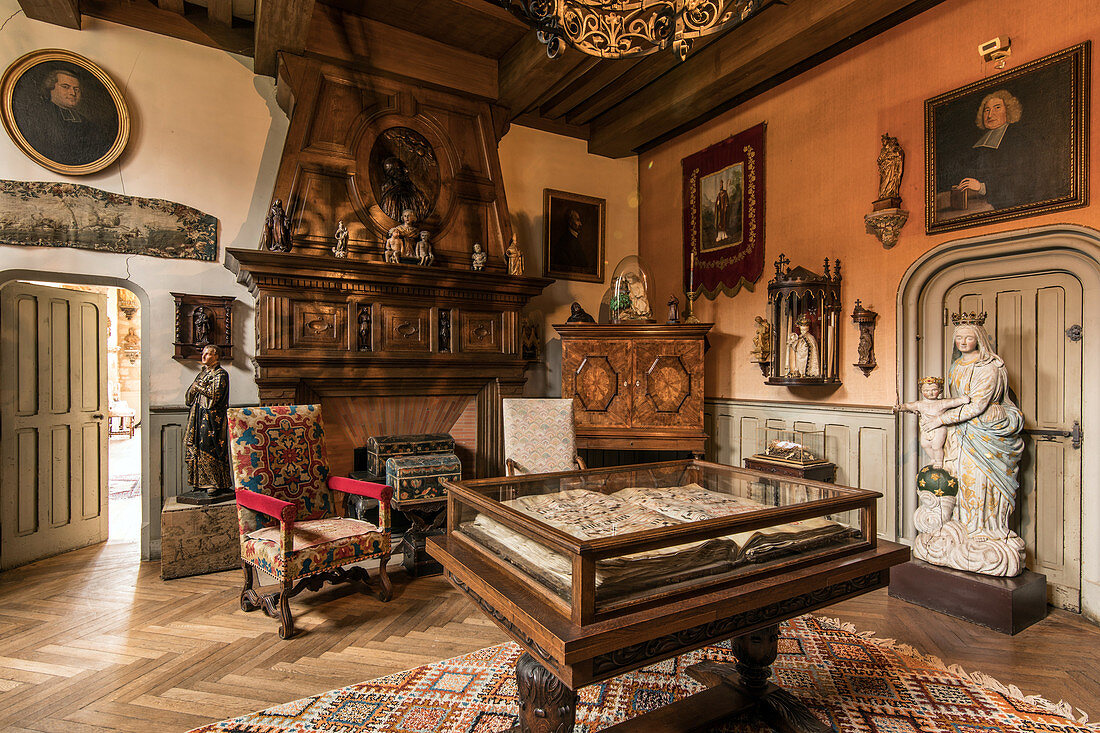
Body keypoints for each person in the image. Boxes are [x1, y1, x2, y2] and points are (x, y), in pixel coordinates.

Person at [923, 316, 1024, 539]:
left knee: (981, 479)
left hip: (985, 430)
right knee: (961, 478)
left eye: (969, 337)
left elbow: (977, 405)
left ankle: (985, 530)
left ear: (978, 339)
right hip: (960, 431)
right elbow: (957, 399)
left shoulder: (989, 367)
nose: (963, 342)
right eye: (958, 337)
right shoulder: (957, 365)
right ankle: (963, 526)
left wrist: (940, 420)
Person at [949, 90, 1054, 211]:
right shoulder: (980, 143)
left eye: (997, 108)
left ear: (1008, 111)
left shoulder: (1018, 140)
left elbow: (1020, 182)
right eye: (986, 110)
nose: (989, 115)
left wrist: (981, 187)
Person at [19, 67, 114, 166]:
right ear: (51, 87)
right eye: (65, 87)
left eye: (76, 89)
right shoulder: (38, 116)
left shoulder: (86, 121)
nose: (73, 93)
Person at [183, 345, 232, 499]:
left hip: (212, 420)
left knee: (209, 448)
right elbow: (189, 398)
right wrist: (195, 388)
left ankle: (214, 483)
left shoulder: (221, 374)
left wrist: (199, 387)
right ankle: (199, 482)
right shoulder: (201, 375)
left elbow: (216, 395)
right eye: (203, 354)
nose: (204, 357)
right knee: (195, 447)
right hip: (198, 416)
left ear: (216, 356)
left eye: (208, 354)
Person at [894, 376, 970, 469]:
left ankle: (939, 461)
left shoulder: (942, 403)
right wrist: (900, 407)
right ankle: (933, 459)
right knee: (925, 444)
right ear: (921, 391)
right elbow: (909, 406)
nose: (930, 393)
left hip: (938, 428)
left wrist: (962, 400)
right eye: (926, 391)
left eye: (934, 390)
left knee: (936, 446)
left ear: (940, 390)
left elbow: (953, 402)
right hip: (925, 428)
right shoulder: (920, 404)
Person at [378, 157, 431, 222]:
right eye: (401, 169)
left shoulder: (416, 192)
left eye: (405, 167)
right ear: (393, 174)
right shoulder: (391, 200)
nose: (406, 171)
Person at [550, 208, 592, 274]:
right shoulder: (565, 241)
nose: (580, 224)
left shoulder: (575, 240)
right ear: (570, 222)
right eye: (577, 220)